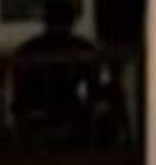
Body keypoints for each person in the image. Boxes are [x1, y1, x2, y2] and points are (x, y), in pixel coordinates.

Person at [13, 0, 99, 147]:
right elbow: (21, 88)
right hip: (42, 107)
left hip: (65, 106)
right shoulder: (32, 49)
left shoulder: (30, 48)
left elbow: (92, 84)